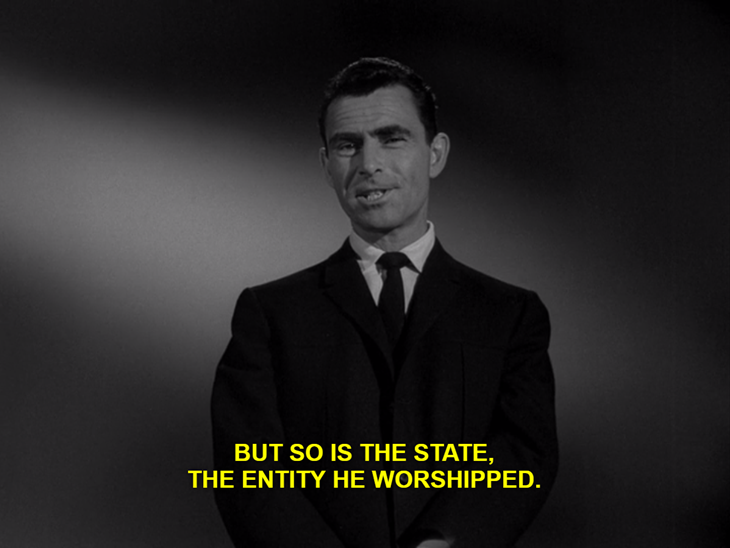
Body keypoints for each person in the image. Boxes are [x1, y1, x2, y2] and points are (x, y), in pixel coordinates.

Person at [211, 57, 558, 548]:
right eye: (347, 145)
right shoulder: (269, 316)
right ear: (326, 166)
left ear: (435, 153)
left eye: (392, 138)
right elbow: (246, 470)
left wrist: (443, 541)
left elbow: (523, 453)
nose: (368, 164)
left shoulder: (509, 316)